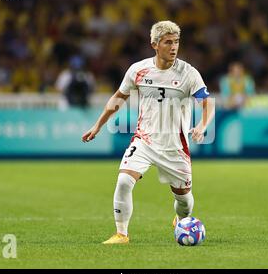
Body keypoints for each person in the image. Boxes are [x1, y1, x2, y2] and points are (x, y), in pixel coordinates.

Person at [82, 21, 215, 244]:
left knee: (184, 202)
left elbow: (207, 103)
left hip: (175, 146)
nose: (174, 47)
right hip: (144, 140)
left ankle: (181, 220)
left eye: (177, 42)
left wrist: (202, 126)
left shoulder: (189, 73)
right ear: (154, 44)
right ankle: (121, 234)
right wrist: (98, 125)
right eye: (168, 42)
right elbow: (117, 98)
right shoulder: (138, 70)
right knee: (124, 180)